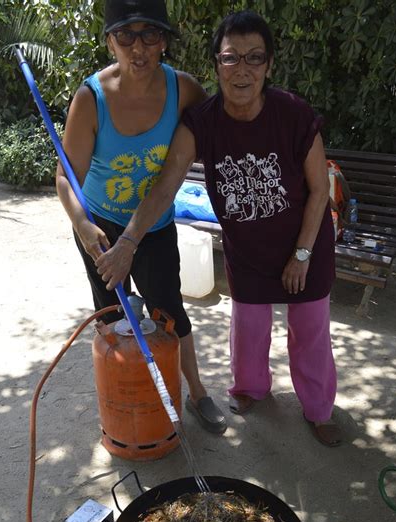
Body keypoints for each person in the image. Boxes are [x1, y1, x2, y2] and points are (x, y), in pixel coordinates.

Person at [97, 9, 342, 447]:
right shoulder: (203, 122)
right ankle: (250, 390)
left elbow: (320, 191)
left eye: (254, 58)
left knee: (310, 334)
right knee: (247, 332)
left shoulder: (293, 114)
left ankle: (319, 410)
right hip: (248, 252)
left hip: (305, 248)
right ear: (216, 64)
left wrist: (302, 255)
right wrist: (130, 240)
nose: (242, 70)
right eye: (231, 58)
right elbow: (167, 183)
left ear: (268, 65)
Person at [56, 0, 227, 434]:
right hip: (98, 225)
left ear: (164, 41)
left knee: (170, 312)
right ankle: (126, 399)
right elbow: (64, 178)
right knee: (113, 317)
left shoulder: (184, 90)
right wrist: (81, 224)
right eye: (125, 35)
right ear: (110, 40)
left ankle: (197, 393)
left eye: (150, 35)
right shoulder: (90, 98)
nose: (138, 47)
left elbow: (218, 132)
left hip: (153, 226)